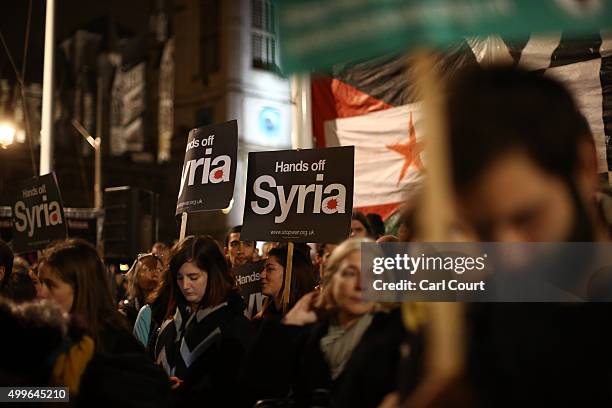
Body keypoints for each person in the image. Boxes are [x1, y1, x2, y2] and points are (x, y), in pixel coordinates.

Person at [442, 65, 612, 406]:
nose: (510, 254)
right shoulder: (473, 330)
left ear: (584, 166)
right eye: (484, 228)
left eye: (526, 218)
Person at [244, 238, 422, 408]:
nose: (361, 284)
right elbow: (256, 385)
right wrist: (289, 324)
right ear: (333, 279)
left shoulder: (398, 333)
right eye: (351, 273)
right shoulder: (310, 333)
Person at [154, 235, 252, 407]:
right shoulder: (168, 324)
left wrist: (187, 391)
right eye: (179, 278)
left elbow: (237, 392)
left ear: (213, 274)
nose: (185, 285)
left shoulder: (234, 327)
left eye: (193, 277)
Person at [37, 238, 144, 355]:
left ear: (81, 288)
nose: (40, 293)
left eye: (50, 285)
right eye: (40, 282)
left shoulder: (117, 346)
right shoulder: (45, 336)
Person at [255, 244, 318, 321]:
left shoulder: (308, 321)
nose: (262, 275)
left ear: (291, 273)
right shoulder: (262, 319)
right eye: (263, 269)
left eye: (270, 269)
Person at [119, 253, 164, 327]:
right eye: (148, 269)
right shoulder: (128, 311)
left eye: (159, 269)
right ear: (136, 276)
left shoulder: (168, 307)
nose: (155, 273)